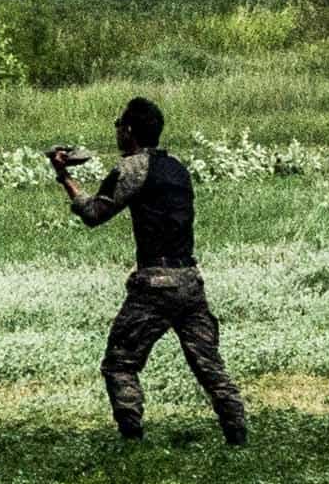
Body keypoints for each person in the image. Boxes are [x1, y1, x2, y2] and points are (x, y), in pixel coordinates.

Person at [50, 97, 245, 444]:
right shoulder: (177, 167)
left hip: (154, 286)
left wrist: (63, 175)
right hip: (189, 281)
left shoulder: (131, 168)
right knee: (210, 368)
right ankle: (238, 437)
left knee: (120, 364)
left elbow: (94, 214)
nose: (116, 131)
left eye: (118, 125)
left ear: (129, 131)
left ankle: (132, 442)